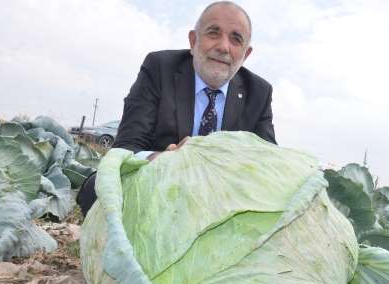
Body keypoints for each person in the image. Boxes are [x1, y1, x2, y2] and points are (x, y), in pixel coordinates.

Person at [77, 1, 276, 216]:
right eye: (213, 33)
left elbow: (268, 164)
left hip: (220, 202)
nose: (223, 47)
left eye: (236, 39)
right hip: (158, 185)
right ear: (193, 40)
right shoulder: (159, 68)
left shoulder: (259, 92)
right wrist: (163, 160)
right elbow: (128, 146)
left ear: (245, 54)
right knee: (96, 191)